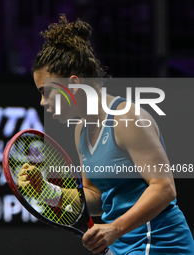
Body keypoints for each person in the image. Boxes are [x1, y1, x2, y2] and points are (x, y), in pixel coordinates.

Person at [17, 14, 194, 254]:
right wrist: (47, 190)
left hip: (159, 242)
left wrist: (115, 229)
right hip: (123, 245)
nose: (42, 102)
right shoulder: (81, 129)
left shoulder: (127, 119)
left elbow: (164, 188)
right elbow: (95, 197)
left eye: (46, 92)